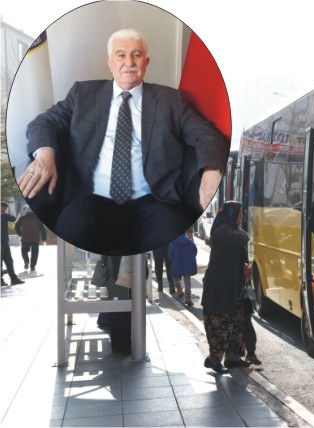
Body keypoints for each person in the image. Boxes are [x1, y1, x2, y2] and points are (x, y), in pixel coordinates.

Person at [17, 28, 229, 256]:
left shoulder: (171, 101)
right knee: (71, 229)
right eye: (120, 55)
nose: (128, 62)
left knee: (169, 238)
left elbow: (206, 134)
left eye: (136, 55)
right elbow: (43, 122)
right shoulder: (82, 94)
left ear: (146, 62)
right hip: (90, 198)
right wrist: (45, 153)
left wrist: (211, 170)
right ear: (109, 62)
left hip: (154, 202)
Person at [200, 201, 252, 373]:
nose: (242, 216)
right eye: (240, 213)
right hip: (219, 288)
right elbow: (241, 238)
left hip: (232, 287)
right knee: (220, 323)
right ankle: (214, 359)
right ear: (231, 214)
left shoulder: (231, 230)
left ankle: (232, 357)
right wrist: (243, 232)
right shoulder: (222, 231)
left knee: (236, 322)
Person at [15, 206, 47, 276]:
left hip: (25, 237)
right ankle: (32, 266)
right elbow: (42, 229)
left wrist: (20, 234)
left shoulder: (22, 218)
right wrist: (44, 238)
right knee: (35, 253)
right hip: (35, 238)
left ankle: (26, 261)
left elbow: (16, 227)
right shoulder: (37, 218)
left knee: (24, 251)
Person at [168, 230, 197, 306]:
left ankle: (179, 290)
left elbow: (170, 254)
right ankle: (188, 298)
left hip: (177, 262)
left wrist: (173, 260)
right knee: (187, 280)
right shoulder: (189, 242)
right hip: (187, 263)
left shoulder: (173, 242)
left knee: (174, 275)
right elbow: (195, 251)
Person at [1, 202, 24, 285]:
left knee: (9, 261)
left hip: (5, 242)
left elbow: (13, 218)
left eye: (5, 208)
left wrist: (4, 214)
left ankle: (14, 279)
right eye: (3, 208)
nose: (4, 209)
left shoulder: (4, 216)